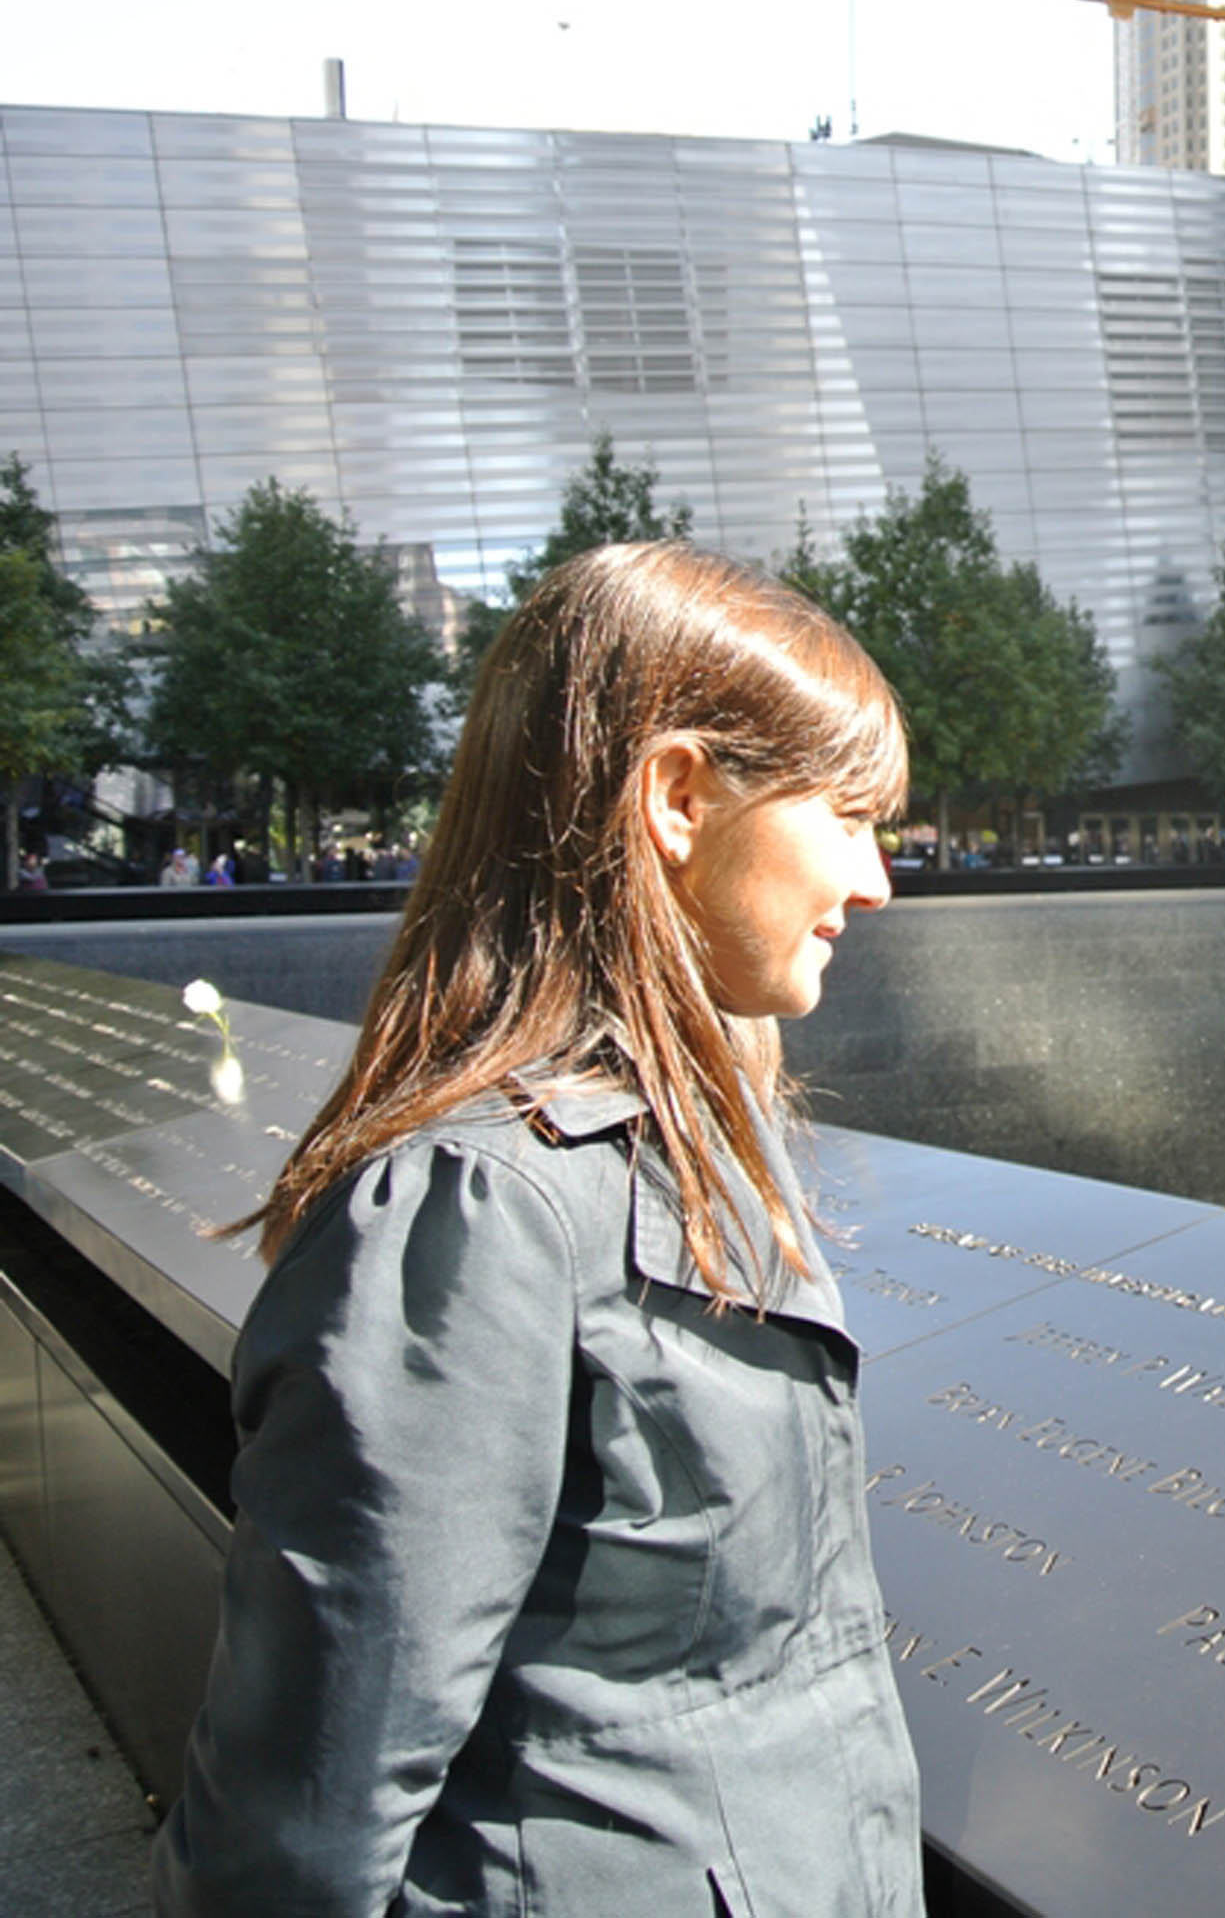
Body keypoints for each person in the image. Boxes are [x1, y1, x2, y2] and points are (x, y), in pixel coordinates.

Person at [155, 543, 923, 1915]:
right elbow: (304, 1809)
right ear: (679, 797)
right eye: (851, 816)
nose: (876, 883)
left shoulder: (688, 1135)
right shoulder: (471, 1212)